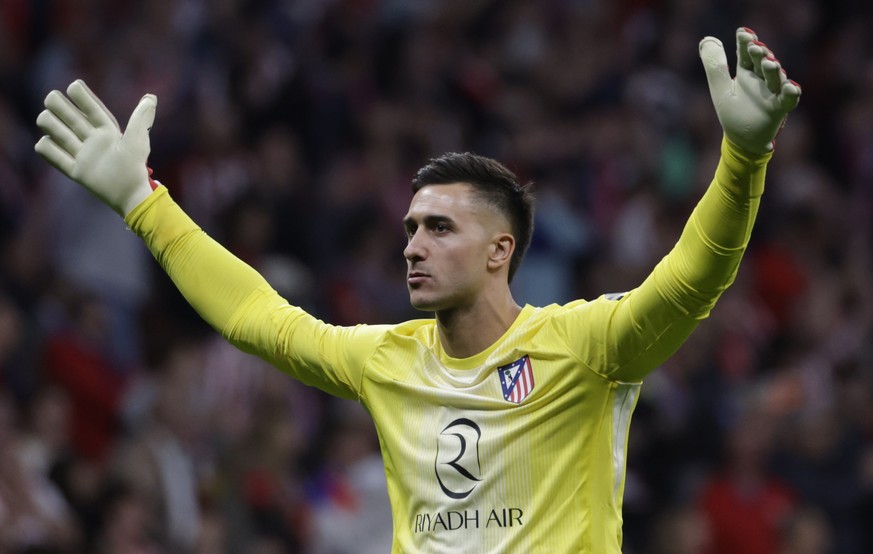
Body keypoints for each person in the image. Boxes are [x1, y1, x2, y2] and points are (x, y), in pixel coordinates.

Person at [33, 27, 800, 553]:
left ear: (501, 250)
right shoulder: (385, 360)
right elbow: (252, 316)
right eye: (409, 229)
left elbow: (693, 277)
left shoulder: (587, 348)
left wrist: (743, 155)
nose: (412, 247)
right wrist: (143, 202)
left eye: (439, 229)